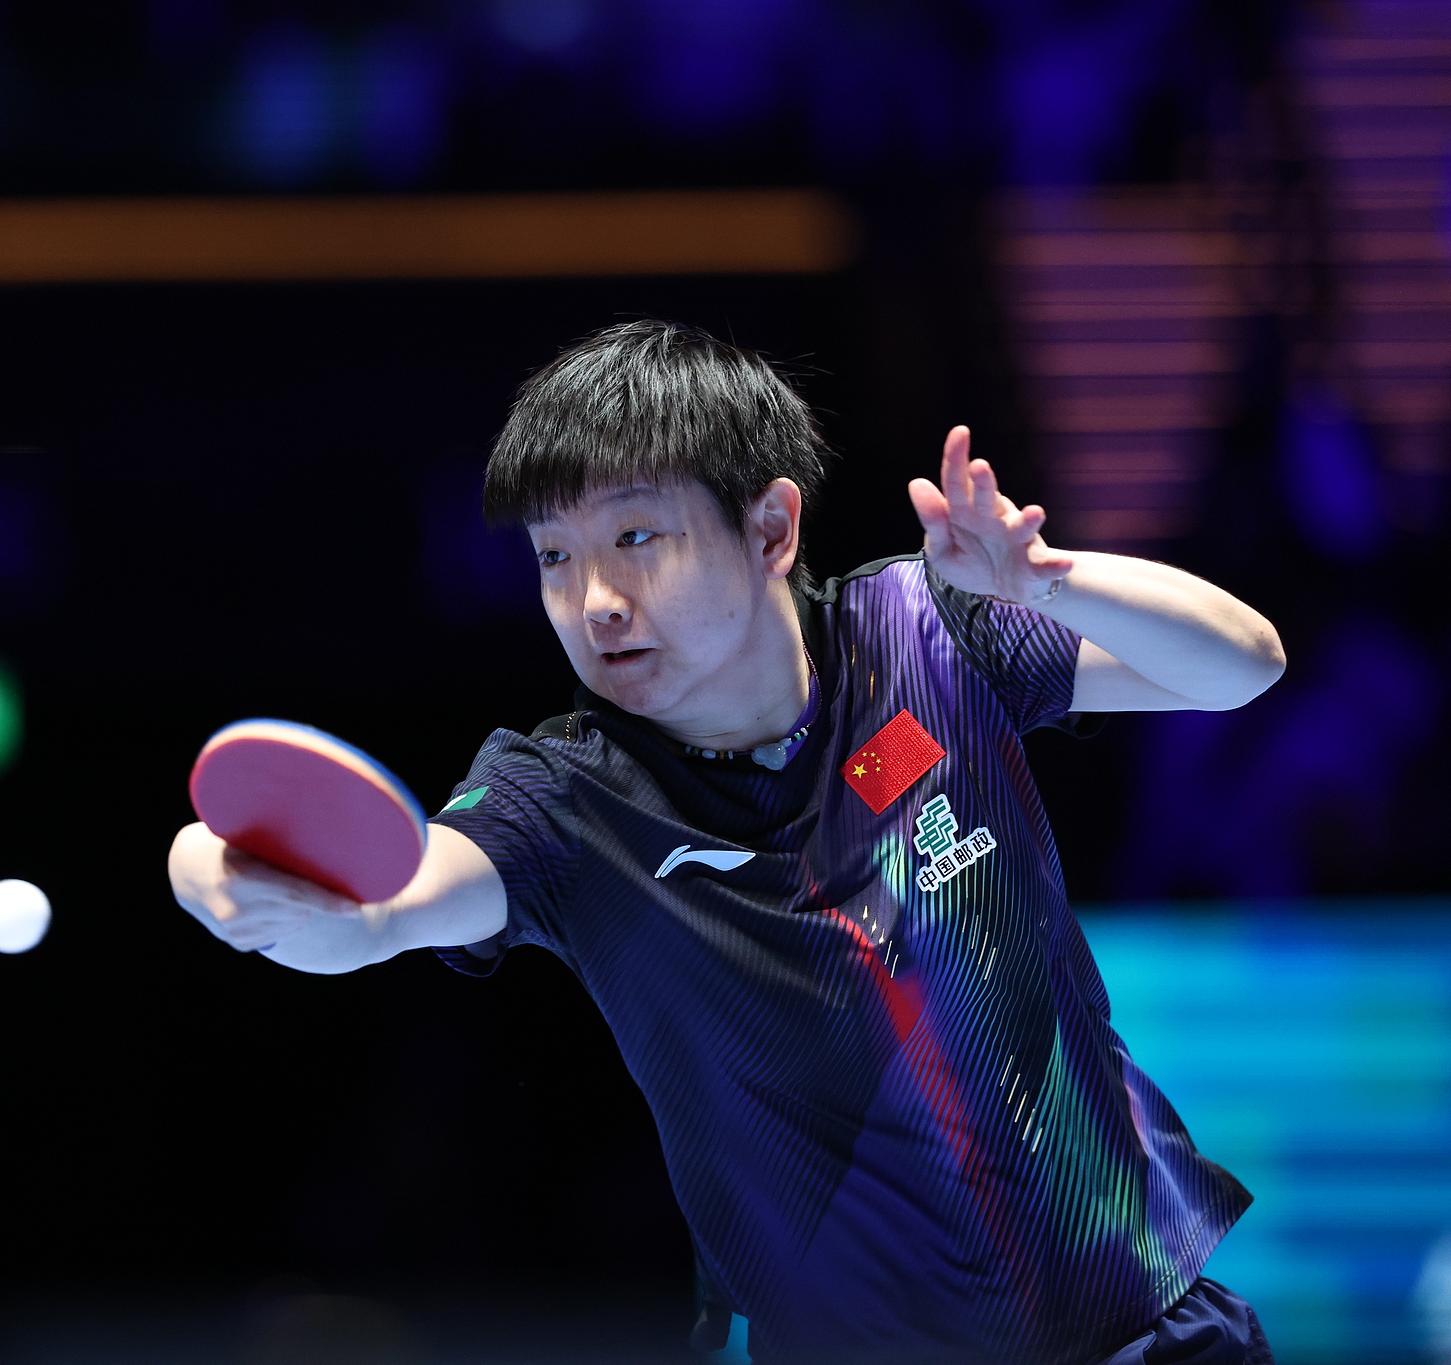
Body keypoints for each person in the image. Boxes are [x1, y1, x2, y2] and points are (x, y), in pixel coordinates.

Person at [167, 320, 1285, 1365]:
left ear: (769, 530)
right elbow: (385, 908)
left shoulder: (929, 636)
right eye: (553, 557)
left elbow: (1242, 664)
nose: (594, 601)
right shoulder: (566, 803)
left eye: (635, 538)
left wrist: (1049, 582)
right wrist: (217, 872)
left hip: (1145, 1328)